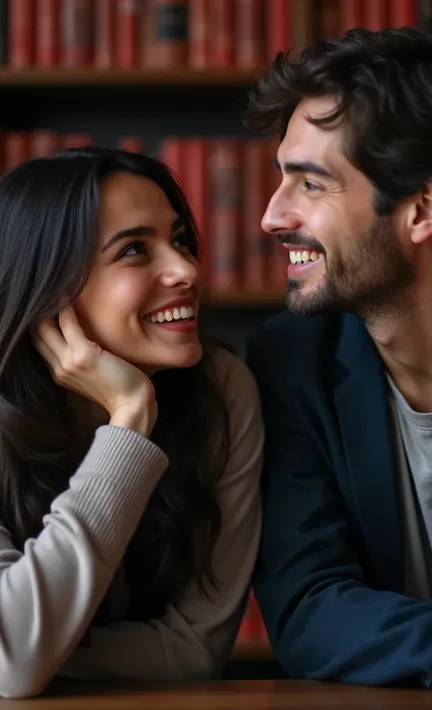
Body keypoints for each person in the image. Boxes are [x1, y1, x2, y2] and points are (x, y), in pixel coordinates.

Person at [245, 27, 432, 693]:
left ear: (422, 210)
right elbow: (310, 610)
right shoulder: (291, 363)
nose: (270, 217)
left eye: (310, 185)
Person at [0, 146, 263, 698]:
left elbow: (195, 649)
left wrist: (44, 645)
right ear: (49, 289)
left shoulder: (222, 392)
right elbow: (13, 660)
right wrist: (128, 422)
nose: (187, 270)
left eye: (181, 240)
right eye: (135, 251)